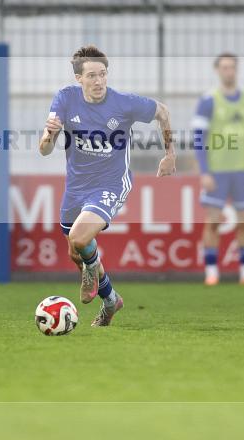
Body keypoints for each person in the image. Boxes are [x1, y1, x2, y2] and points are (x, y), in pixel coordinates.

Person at [39, 45, 176, 327]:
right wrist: (48, 137)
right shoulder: (65, 98)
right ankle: (111, 300)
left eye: (102, 74)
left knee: (79, 239)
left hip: (112, 183)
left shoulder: (124, 103)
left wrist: (170, 153)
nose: (99, 81)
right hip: (76, 187)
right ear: (79, 79)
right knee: (76, 252)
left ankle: (92, 271)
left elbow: (162, 112)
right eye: (91, 76)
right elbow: (44, 149)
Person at [192, 53, 244, 286]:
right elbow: (199, 137)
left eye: (232, 67)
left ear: (237, 70)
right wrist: (204, 171)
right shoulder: (208, 101)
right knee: (212, 222)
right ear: (217, 71)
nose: (228, 71)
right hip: (217, 170)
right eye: (224, 67)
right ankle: (211, 273)